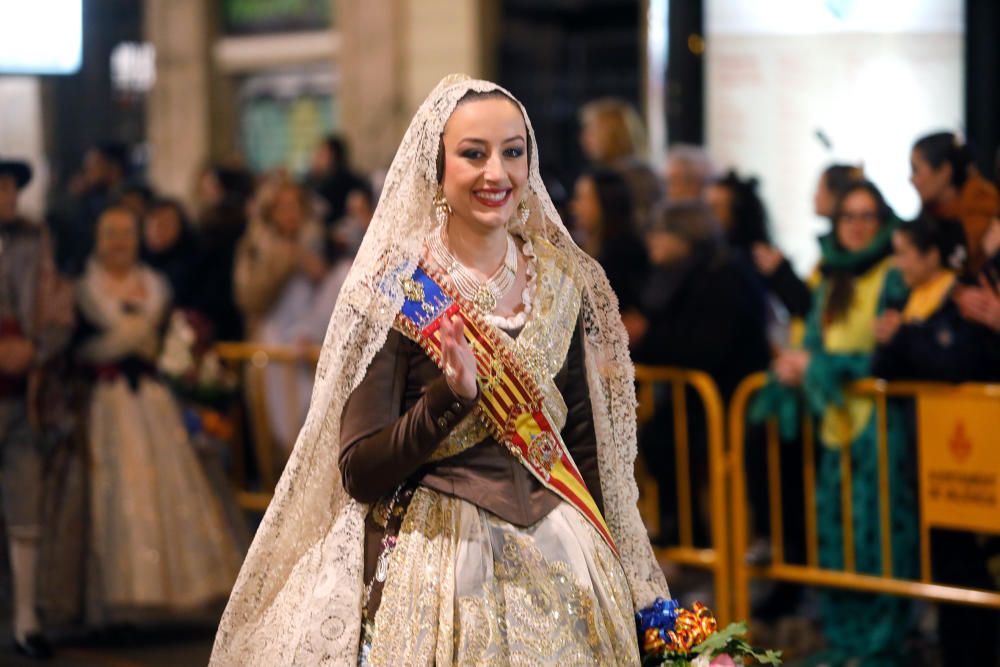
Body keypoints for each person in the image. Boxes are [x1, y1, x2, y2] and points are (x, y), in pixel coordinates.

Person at [211, 74, 668, 666]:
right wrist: (447, 398)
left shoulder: (560, 282)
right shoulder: (398, 292)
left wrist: (623, 579)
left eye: (512, 152)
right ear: (438, 167)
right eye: (473, 154)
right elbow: (360, 472)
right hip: (442, 569)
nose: (496, 174)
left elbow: (581, 448)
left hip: (568, 563)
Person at [752, 180, 916, 665]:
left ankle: (879, 645)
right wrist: (796, 366)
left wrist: (817, 369)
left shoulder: (893, 275)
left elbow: (886, 357)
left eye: (868, 216)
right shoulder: (830, 278)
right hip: (831, 427)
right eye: (849, 217)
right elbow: (819, 346)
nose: (858, 226)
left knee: (879, 539)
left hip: (878, 429)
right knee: (837, 536)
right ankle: (845, 642)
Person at [76, 206, 244, 625]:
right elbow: (75, 347)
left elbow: (167, 343)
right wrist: (118, 344)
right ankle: (118, 602)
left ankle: (169, 597)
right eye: (110, 232)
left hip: (152, 401)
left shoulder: (155, 286)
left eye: (126, 233)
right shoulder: (84, 289)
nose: (119, 242)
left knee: (167, 487)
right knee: (115, 491)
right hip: (105, 401)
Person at [634, 201, 770, 544]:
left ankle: (692, 536)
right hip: (698, 400)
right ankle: (683, 532)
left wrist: (645, 338)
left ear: (683, 237)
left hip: (728, 398)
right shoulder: (679, 276)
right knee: (660, 438)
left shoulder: (720, 276)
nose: (652, 241)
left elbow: (700, 345)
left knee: (672, 442)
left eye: (660, 233)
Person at [0, 157, 74, 659]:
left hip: (22, 393)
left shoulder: (35, 239)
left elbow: (57, 309)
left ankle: (26, 616)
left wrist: (37, 350)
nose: (7, 197)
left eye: (9, 188)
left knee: (25, 501)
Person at [233, 179, 335, 453]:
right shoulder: (257, 247)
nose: (291, 214)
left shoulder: (312, 243)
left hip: (308, 344)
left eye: (295, 207)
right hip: (273, 345)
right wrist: (287, 261)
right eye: (283, 207)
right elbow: (250, 298)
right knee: (284, 432)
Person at [753, 164, 865, 323]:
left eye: (820, 188)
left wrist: (782, 272)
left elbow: (811, 307)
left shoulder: (846, 255)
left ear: (836, 196)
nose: (814, 196)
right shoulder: (831, 251)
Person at [569, 168, 649, 344]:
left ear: (606, 203)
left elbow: (631, 322)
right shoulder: (584, 247)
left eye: (582, 198)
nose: (574, 206)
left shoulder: (626, 253)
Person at [910, 131, 1000, 276]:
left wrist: (981, 256)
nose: (911, 179)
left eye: (916, 170)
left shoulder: (985, 208)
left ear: (945, 171)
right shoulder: (928, 216)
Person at [579, 98, 662, 231]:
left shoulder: (634, 176)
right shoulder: (610, 172)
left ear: (612, 134)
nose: (584, 138)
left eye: (592, 131)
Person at [142, 197, 199, 309]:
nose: (157, 228)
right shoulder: (135, 259)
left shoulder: (193, 267)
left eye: (166, 223)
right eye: (152, 222)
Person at [305, 135, 366, 226]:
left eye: (321, 154)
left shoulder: (342, 181)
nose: (316, 158)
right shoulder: (315, 180)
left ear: (333, 157)